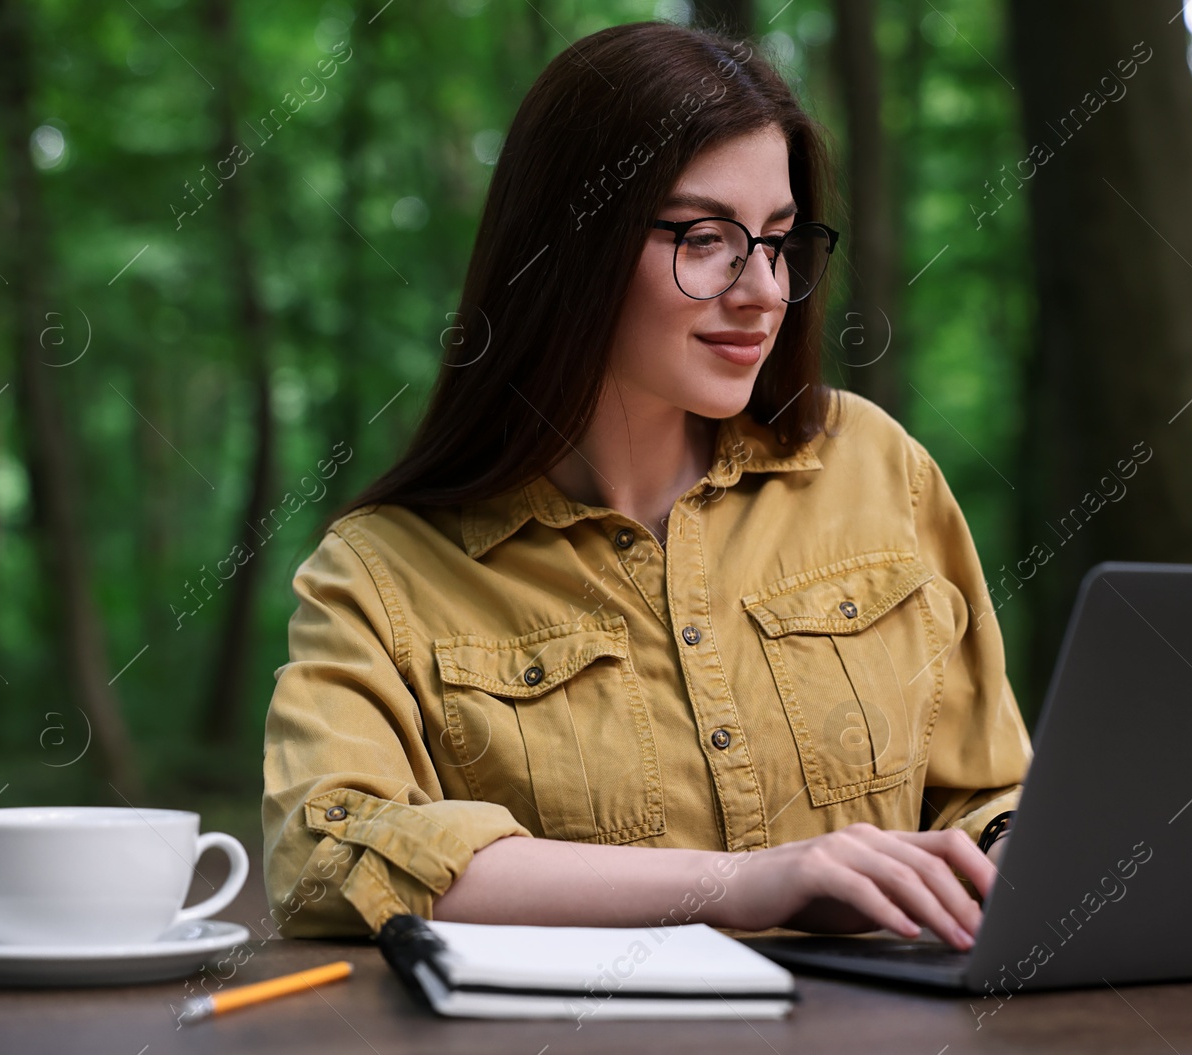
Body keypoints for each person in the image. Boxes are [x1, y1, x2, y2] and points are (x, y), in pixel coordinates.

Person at [261, 20, 1031, 952]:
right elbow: (327, 852)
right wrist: (739, 884)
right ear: (569, 245)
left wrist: (1016, 846)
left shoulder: (877, 467)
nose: (765, 291)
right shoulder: (384, 572)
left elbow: (988, 788)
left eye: (781, 240)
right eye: (706, 238)